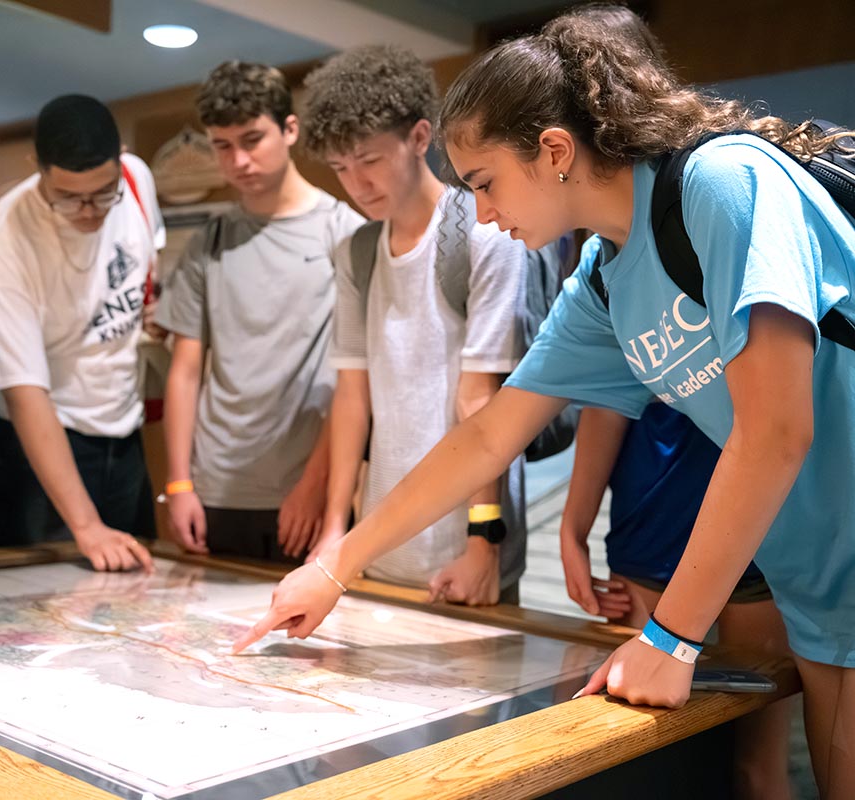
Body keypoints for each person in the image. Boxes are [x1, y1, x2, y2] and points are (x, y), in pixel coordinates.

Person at [233, 7, 855, 796]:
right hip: (817, 577)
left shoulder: (724, 184)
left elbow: (775, 432)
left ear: (555, 151)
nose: (484, 213)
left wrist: (671, 638)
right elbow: (490, 434)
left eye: (487, 184)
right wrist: (336, 567)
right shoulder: (603, 275)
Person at [301, 45, 526, 605]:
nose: (355, 183)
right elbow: (352, 393)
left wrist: (483, 542)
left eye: (369, 160)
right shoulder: (355, 250)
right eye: (339, 167)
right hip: (377, 536)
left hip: (463, 538)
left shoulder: (483, 235)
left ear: (421, 137)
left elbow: (482, 401)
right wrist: (335, 529)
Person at [157, 61, 363, 563]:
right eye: (223, 146)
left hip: (305, 492)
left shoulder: (346, 233)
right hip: (213, 490)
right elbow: (185, 372)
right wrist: (179, 482)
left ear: (290, 130)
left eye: (252, 140)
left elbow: (356, 380)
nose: (238, 161)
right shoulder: (211, 240)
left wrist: (318, 485)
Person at [0, 94, 162, 573]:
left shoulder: (136, 178)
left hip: (121, 423)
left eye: (102, 193)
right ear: (38, 168)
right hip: (38, 438)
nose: (90, 211)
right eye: (70, 198)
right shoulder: (4, 242)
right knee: (40, 605)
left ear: (119, 158)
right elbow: (24, 392)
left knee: (135, 581)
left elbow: (146, 262)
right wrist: (85, 525)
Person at [562, 404, 792, 800]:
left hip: (763, 538)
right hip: (653, 526)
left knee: (758, 767)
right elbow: (605, 401)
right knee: (633, 755)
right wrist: (573, 527)